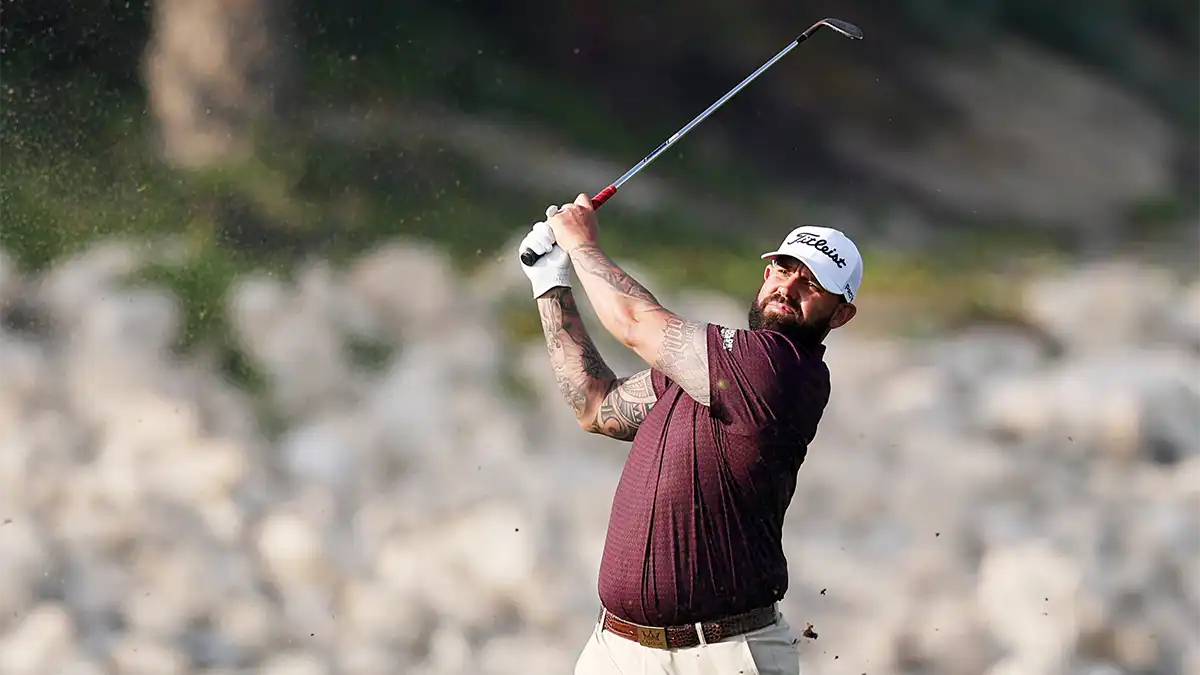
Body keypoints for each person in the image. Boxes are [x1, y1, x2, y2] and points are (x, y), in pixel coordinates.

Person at [517, 193, 862, 675]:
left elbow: (634, 322)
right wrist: (549, 281)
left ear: (840, 315)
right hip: (616, 650)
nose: (789, 287)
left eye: (812, 284)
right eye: (785, 270)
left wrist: (579, 243)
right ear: (767, 274)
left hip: (724, 654)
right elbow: (595, 406)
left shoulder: (778, 369)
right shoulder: (713, 372)